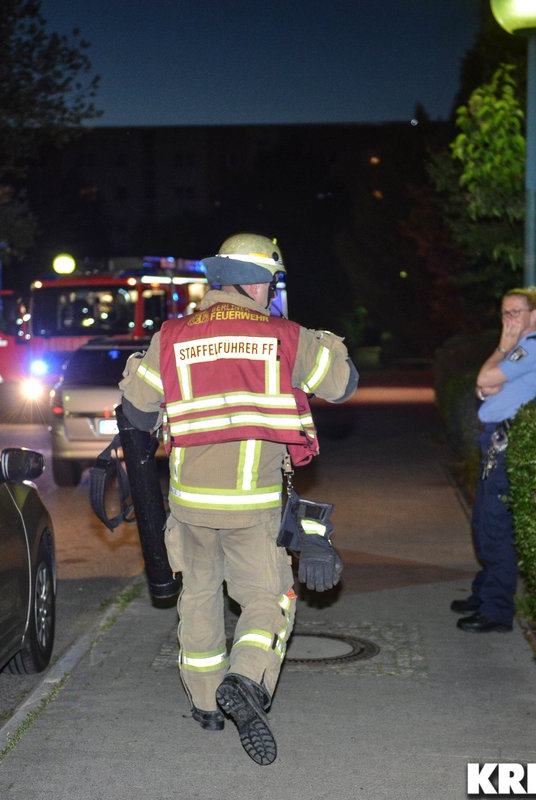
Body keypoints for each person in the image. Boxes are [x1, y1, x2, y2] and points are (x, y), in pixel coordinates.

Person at [118, 233, 358, 764]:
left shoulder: (171, 337)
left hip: (189, 507)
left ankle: (206, 704)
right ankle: (246, 679)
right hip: (253, 508)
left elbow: (135, 412)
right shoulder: (286, 337)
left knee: (199, 596)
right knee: (268, 599)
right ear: (254, 282)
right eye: (271, 283)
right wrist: (327, 342)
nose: (271, 293)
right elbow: (343, 384)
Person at [452, 287, 536, 633]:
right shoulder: (517, 350)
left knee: (495, 527)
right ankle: (484, 595)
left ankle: (496, 611)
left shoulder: (529, 349)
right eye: (504, 313)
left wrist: (501, 347)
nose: (509, 319)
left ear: (534, 315)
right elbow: (483, 390)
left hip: (506, 442)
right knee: (484, 522)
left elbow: (484, 379)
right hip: (496, 440)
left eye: (516, 312)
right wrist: (494, 373)